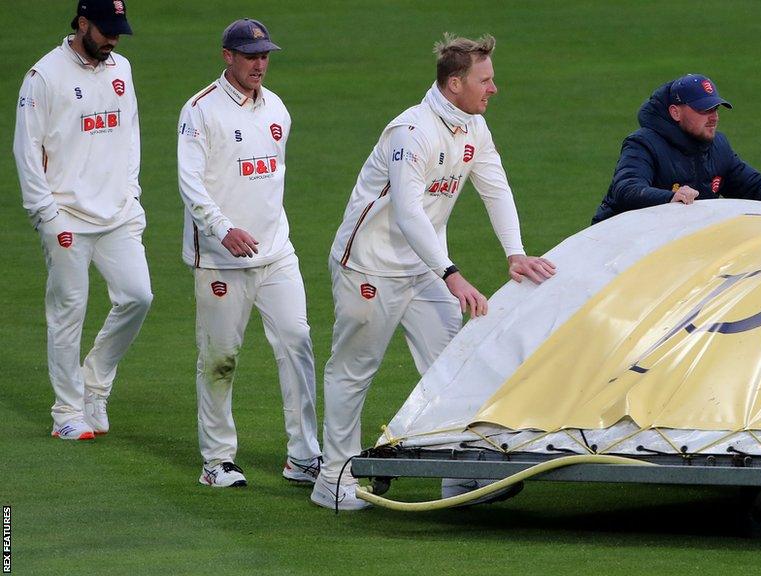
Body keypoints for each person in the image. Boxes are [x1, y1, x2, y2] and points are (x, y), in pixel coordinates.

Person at [313, 33, 556, 510]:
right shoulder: (412, 132)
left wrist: (515, 253)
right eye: (484, 80)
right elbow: (407, 212)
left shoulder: (473, 127)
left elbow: (496, 188)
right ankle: (332, 479)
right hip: (371, 265)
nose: (494, 88)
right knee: (353, 371)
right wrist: (452, 274)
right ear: (453, 84)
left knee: (450, 364)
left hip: (426, 267)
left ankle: (455, 475)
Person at [177, 18, 321, 488]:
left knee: (297, 342)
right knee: (220, 358)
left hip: (276, 253)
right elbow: (191, 183)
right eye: (250, 55)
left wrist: (262, 232)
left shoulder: (277, 109)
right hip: (221, 259)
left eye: (264, 55)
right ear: (227, 57)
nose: (260, 64)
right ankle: (217, 461)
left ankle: (303, 457)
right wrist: (223, 229)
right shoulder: (199, 111)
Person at [13, 0, 153, 441]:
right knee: (68, 314)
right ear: (82, 23)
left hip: (117, 213)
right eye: (105, 31)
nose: (112, 40)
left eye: (118, 32)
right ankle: (67, 413)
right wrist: (47, 216)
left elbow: (130, 133)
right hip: (66, 215)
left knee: (137, 297)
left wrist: (132, 194)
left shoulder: (120, 69)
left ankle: (95, 382)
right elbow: (26, 150)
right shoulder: (44, 76)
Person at [592, 74, 761, 224]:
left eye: (716, 109)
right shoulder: (643, 143)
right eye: (704, 110)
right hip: (618, 246)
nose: (713, 118)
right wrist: (670, 197)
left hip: (670, 244)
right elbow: (626, 189)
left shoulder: (718, 145)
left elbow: (751, 185)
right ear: (675, 113)